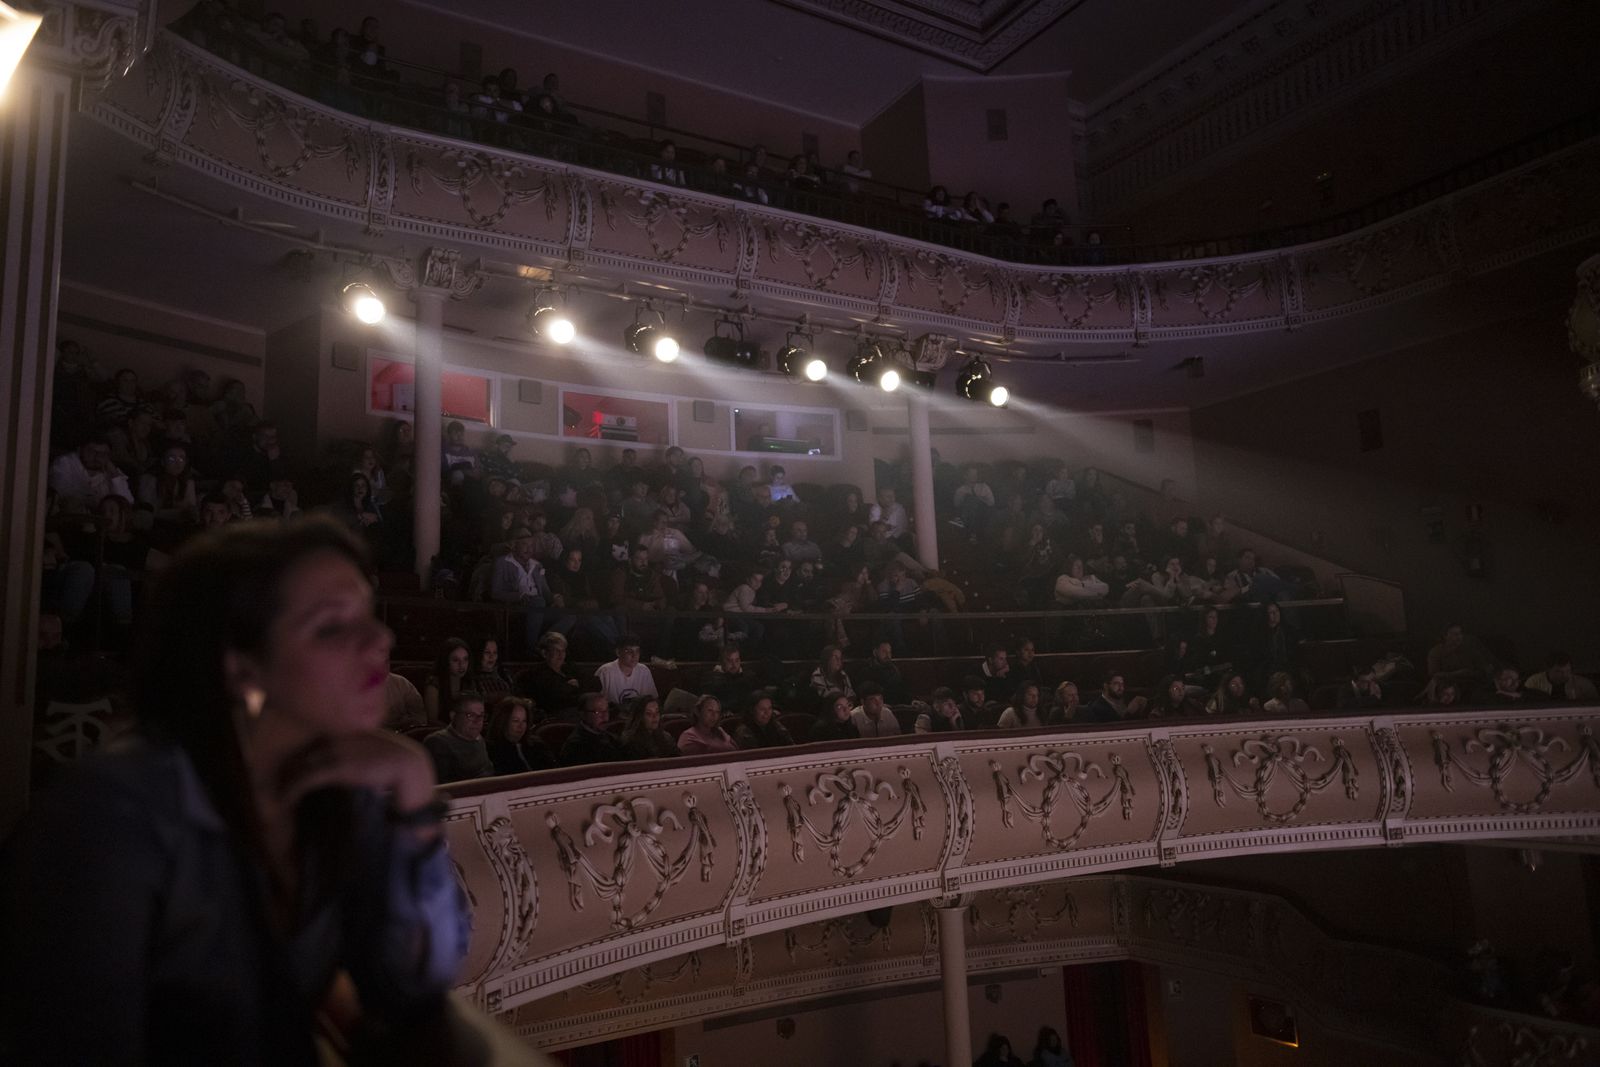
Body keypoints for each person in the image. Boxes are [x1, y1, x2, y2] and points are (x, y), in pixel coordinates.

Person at [2, 518, 469, 1062]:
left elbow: (412, 985)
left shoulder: (344, 793)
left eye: (368, 615)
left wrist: (415, 797)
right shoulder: (110, 814)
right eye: (331, 627)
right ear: (242, 668)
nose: (381, 640)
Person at [423, 692, 494, 783]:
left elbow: (489, 772)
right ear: (453, 716)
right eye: (470, 715)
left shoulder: (479, 738)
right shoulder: (437, 742)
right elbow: (444, 785)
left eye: (481, 716)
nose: (477, 721)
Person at [514, 631, 584, 718]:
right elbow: (554, 696)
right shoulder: (536, 673)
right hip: (553, 716)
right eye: (556, 650)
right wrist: (573, 687)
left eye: (563, 651)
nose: (561, 654)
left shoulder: (569, 669)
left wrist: (579, 685)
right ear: (544, 653)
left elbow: (593, 682)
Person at [594, 633, 659, 709]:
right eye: (629, 651)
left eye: (637, 651)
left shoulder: (644, 670)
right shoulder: (605, 671)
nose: (634, 655)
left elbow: (653, 699)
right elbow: (595, 703)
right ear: (618, 652)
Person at [559, 692, 626, 766]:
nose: (605, 716)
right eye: (597, 712)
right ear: (583, 714)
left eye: (606, 711)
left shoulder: (610, 736)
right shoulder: (576, 746)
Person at [422, 636, 472, 723]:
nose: (462, 665)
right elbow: (432, 721)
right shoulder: (434, 684)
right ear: (445, 661)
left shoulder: (468, 681)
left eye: (465, 659)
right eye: (455, 660)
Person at [620, 695, 676, 760]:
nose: (654, 716)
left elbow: (677, 758)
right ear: (640, 717)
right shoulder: (630, 741)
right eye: (649, 713)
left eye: (657, 712)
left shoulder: (666, 737)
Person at [1524, 652, 1599, 702]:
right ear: (1548, 669)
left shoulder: (1584, 684)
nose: (1564, 675)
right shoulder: (1534, 682)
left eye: (1568, 671)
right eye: (1558, 672)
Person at [470, 635, 516, 701]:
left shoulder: (504, 675)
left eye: (495, 652)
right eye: (487, 652)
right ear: (479, 653)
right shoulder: (473, 680)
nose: (491, 656)